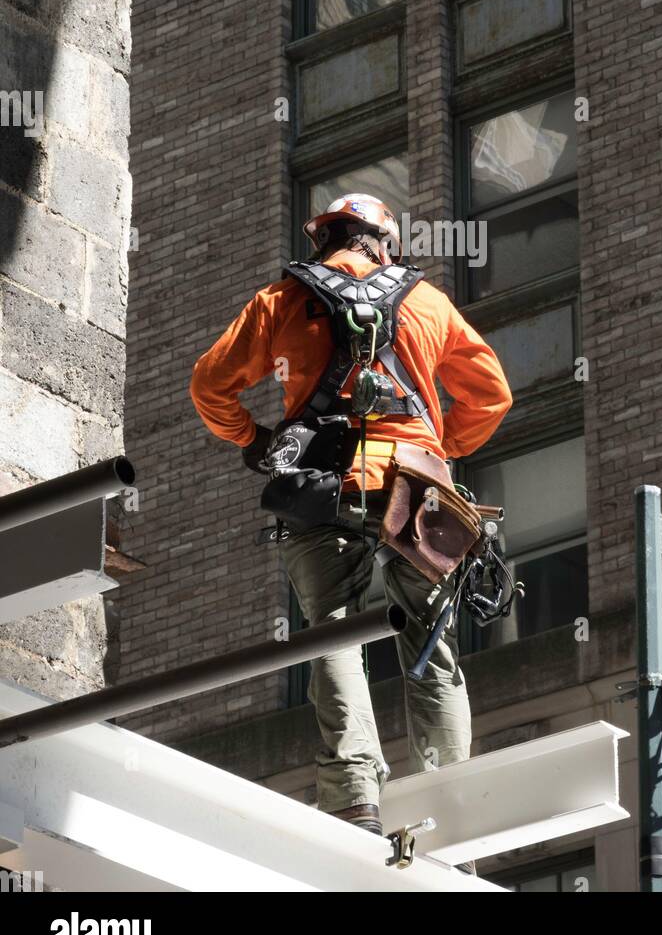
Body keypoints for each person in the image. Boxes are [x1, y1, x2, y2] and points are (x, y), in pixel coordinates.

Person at [189, 194, 512, 838]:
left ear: (327, 237)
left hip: (322, 489)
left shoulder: (282, 301)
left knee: (331, 631)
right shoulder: (427, 303)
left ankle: (355, 793)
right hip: (417, 493)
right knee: (432, 644)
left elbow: (209, 385)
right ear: (384, 242)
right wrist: (437, 451)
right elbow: (492, 395)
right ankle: (449, 797)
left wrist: (253, 440)